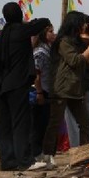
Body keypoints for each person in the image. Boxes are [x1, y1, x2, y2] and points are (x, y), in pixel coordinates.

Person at [0, 3, 50, 171]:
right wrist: (27, 23)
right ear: (19, 14)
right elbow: (43, 22)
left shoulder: (1, 34)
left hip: (1, 84)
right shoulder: (21, 30)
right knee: (20, 123)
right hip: (17, 83)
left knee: (5, 125)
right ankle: (25, 160)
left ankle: (7, 161)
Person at [41, 11, 89, 163]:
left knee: (85, 123)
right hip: (62, 88)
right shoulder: (63, 41)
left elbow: (88, 62)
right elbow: (75, 60)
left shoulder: (77, 42)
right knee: (55, 123)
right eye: (83, 23)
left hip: (75, 89)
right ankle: (47, 156)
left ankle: (84, 155)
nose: (85, 26)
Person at [30, 19, 55, 163]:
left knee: (44, 124)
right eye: (50, 31)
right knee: (38, 125)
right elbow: (37, 74)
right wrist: (39, 92)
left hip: (48, 90)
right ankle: (35, 154)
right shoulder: (40, 51)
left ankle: (40, 153)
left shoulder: (49, 50)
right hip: (40, 91)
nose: (53, 34)